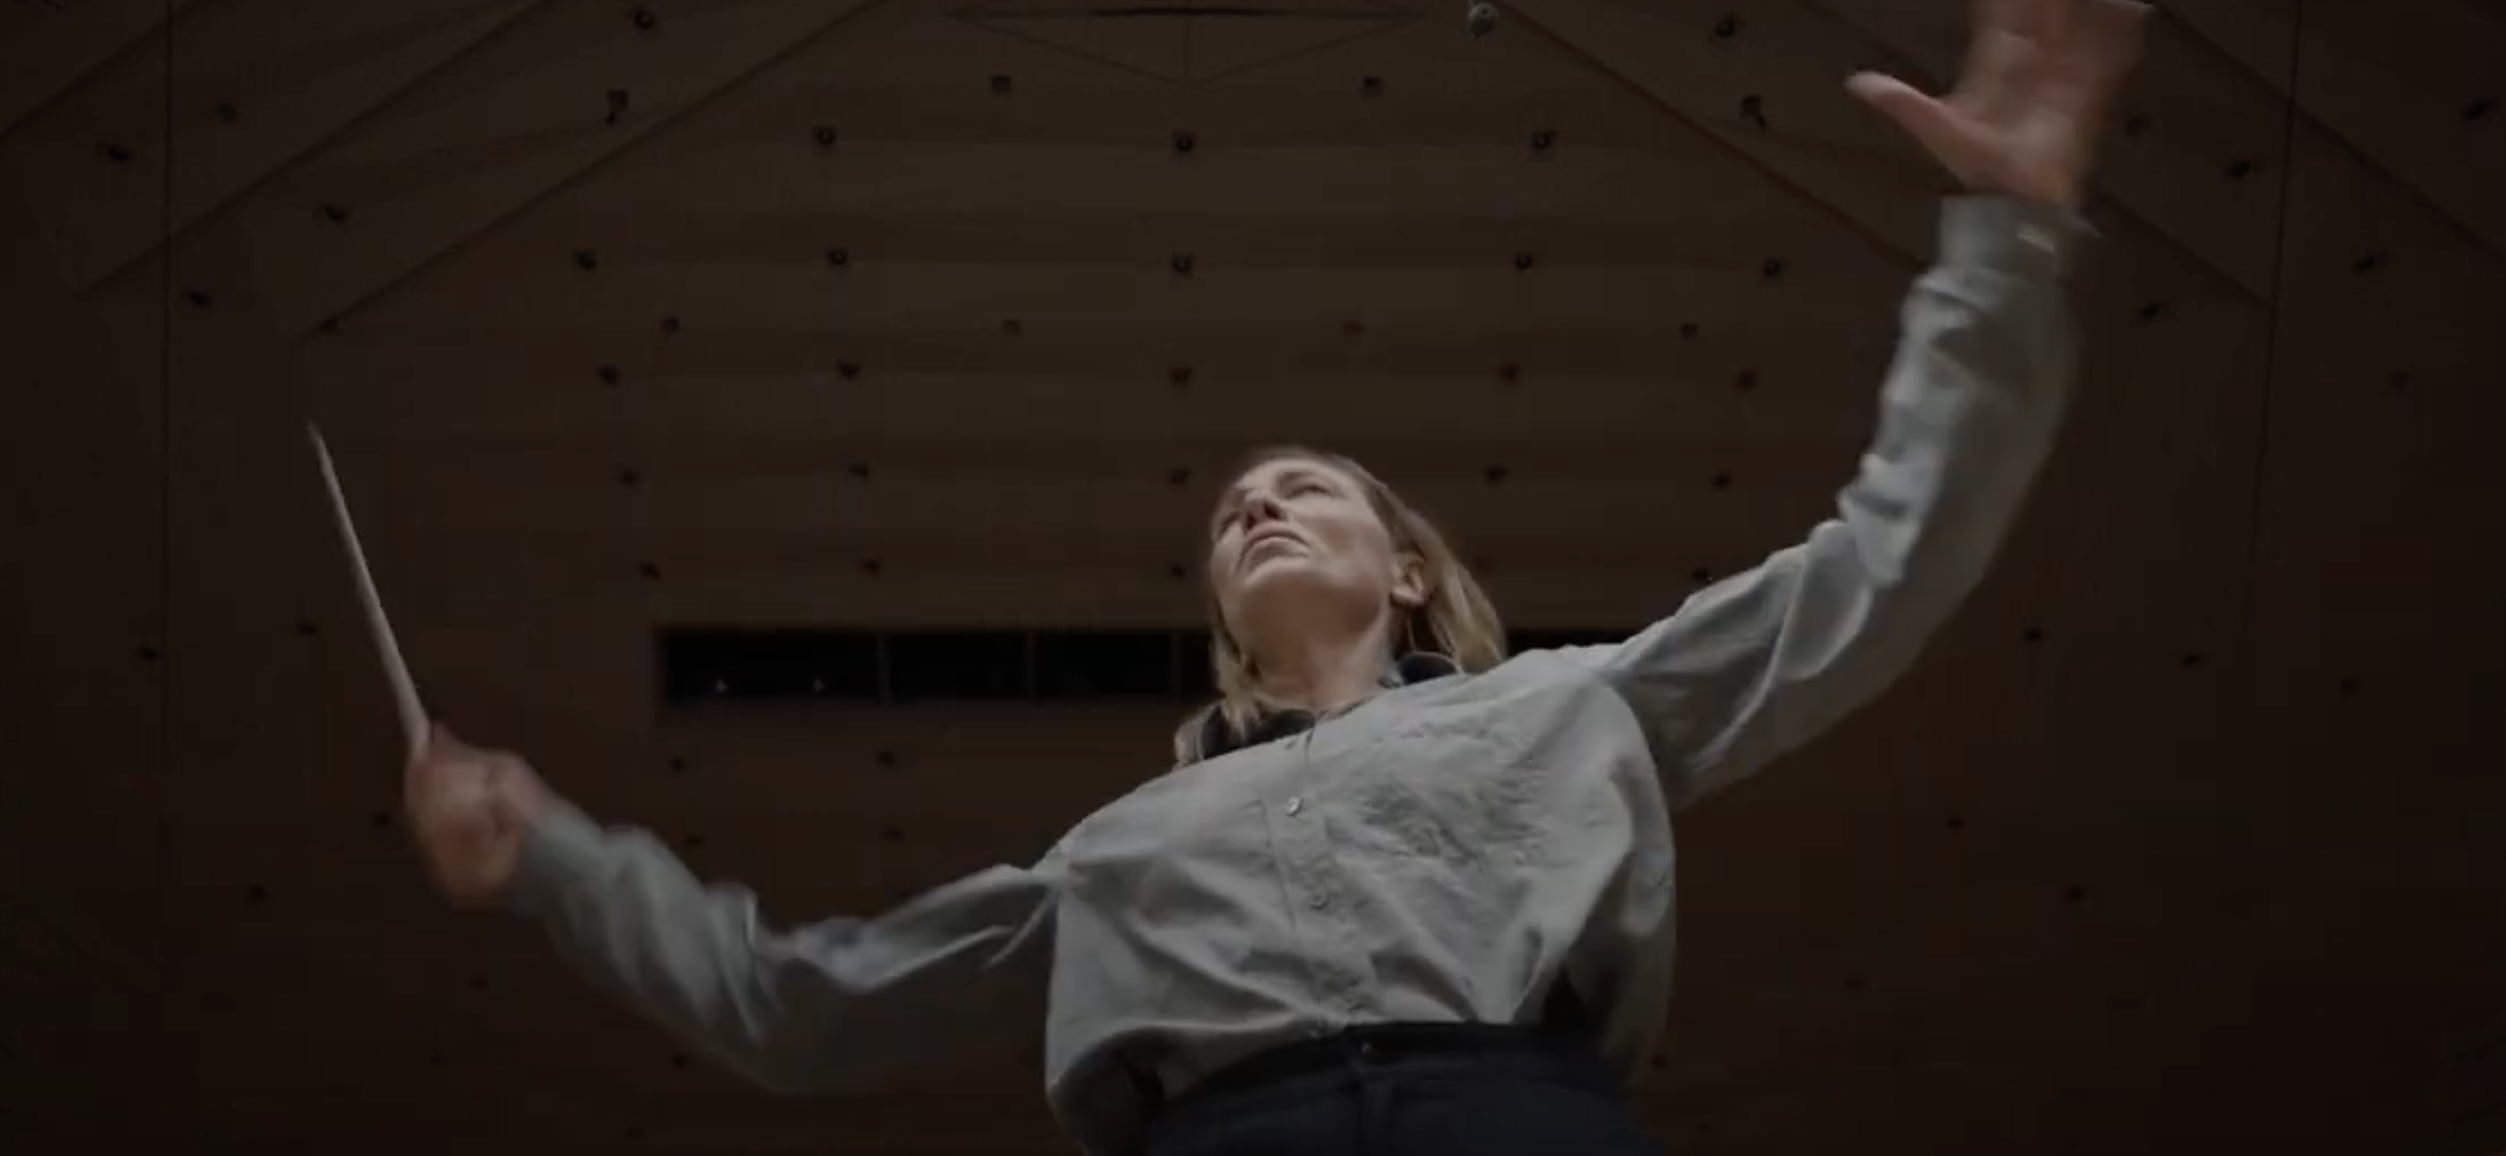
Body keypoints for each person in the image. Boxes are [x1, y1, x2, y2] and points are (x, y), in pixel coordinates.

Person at [402, 2, 2148, 1153]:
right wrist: (553, 856)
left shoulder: (1569, 707)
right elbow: (802, 1006)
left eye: (1304, 488)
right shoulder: (1112, 851)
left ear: (1409, 571)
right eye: (1232, 509)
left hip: (1516, 1119)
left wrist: (2005, 236)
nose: (1255, 504)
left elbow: (1882, 564)